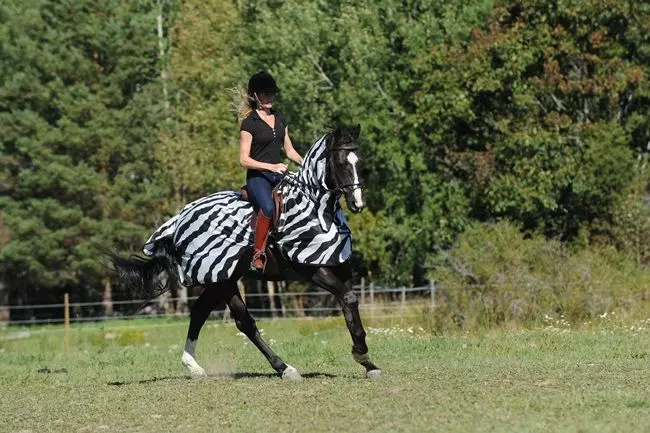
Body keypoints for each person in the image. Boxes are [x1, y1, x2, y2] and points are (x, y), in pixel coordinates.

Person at [239, 71, 303, 272]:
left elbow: (289, 150)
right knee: (267, 208)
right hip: (258, 178)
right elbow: (243, 160)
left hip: (279, 175)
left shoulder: (280, 118)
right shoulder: (250, 123)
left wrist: (307, 163)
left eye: (272, 94)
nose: (270, 97)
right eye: (266, 94)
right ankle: (258, 252)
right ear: (255, 96)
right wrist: (271, 166)